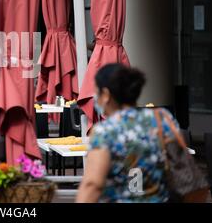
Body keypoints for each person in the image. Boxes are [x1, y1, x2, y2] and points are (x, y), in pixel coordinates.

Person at [76, 63, 181, 203]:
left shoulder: (105, 132)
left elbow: (92, 185)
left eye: (97, 93)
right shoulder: (162, 120)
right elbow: (187, 176)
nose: (96, 98)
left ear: (106, 95)